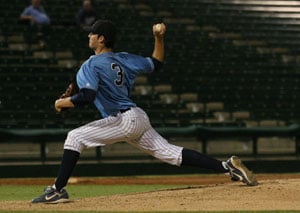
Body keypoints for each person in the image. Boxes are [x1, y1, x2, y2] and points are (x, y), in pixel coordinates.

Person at [32, 20, 258, 204]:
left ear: (101, 39)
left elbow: (87, 97)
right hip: (137, 116)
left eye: (92, 33)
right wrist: (159, 38)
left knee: (74, 137)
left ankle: (57, 190)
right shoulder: (123, 59)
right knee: (171, 153)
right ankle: (225, 166)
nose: (88, 36)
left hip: (123, 118)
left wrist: (61, 103)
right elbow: (155, 63)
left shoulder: (90, 65)